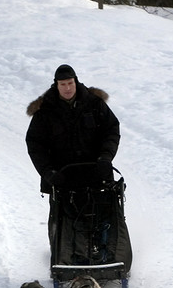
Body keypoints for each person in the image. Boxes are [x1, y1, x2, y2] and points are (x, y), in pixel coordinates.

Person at [25, 64, 120, 194]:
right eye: (63, 84)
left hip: (97, 178)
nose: (67, 88)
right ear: (56, 85)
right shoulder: (45, 111)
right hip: (62, 182)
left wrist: (106, 157)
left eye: (70, 83)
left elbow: (111, 130)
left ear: (76, 81)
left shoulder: (94, 104)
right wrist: (48, 172)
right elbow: (35, 144)